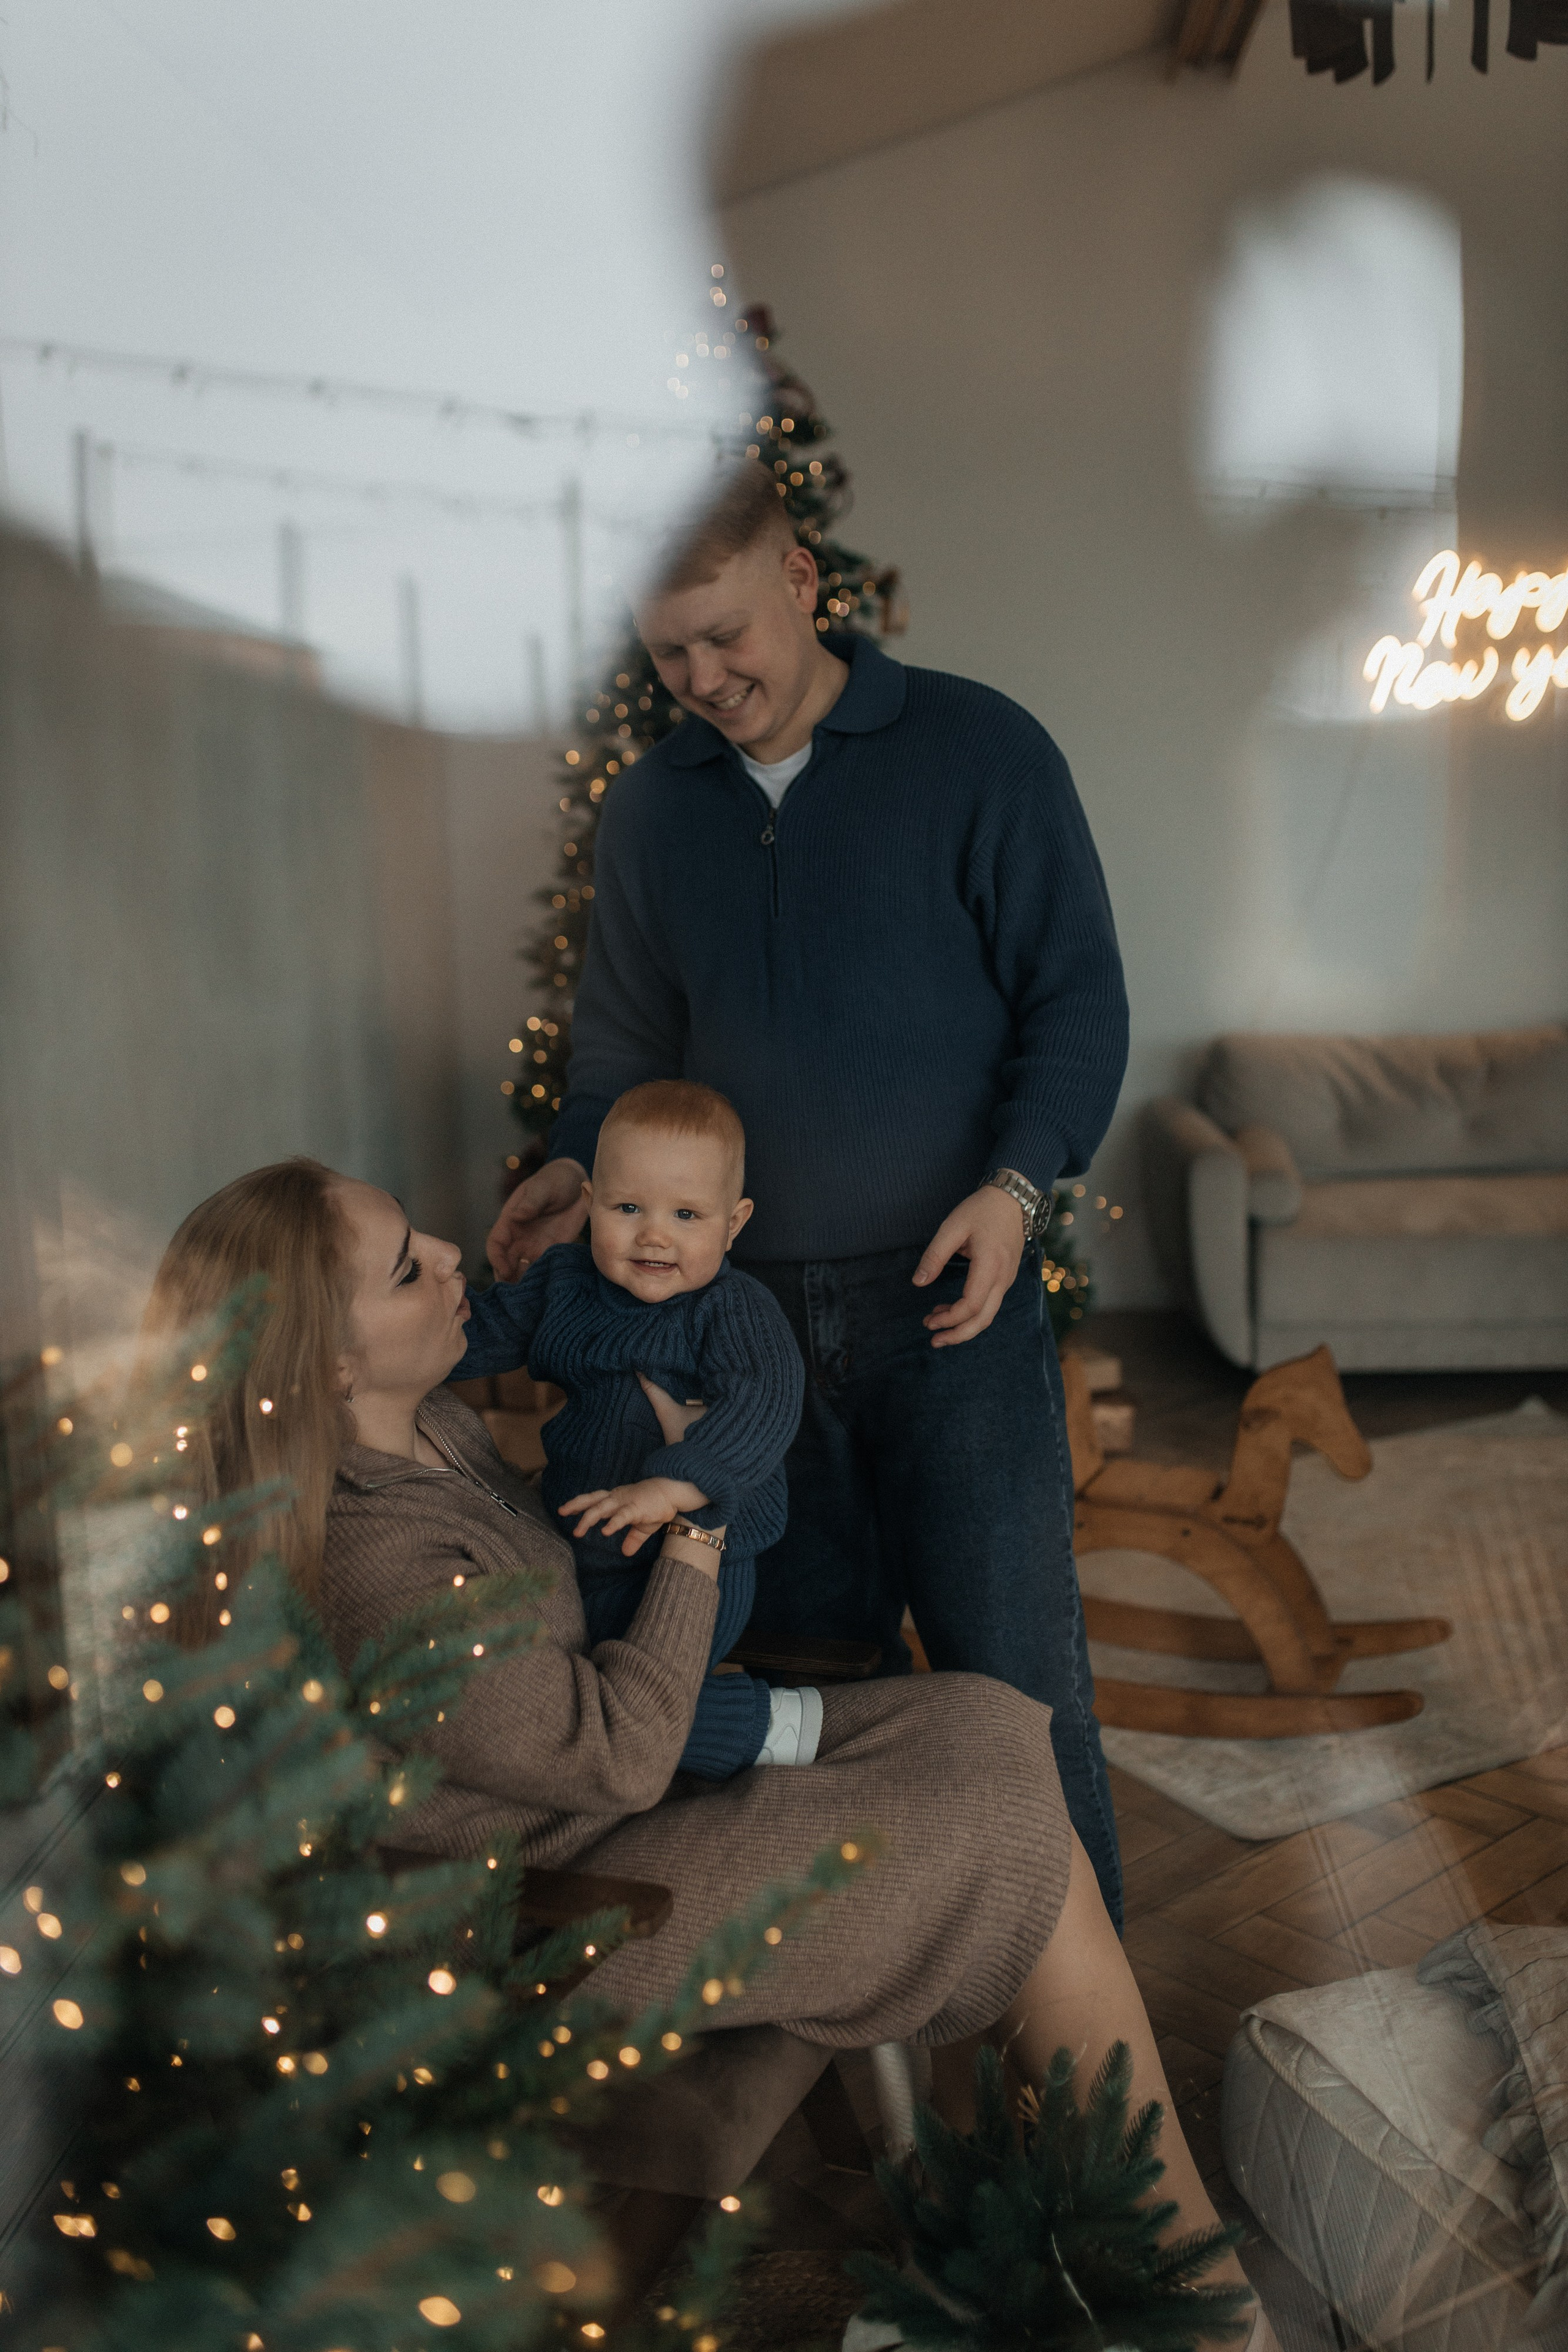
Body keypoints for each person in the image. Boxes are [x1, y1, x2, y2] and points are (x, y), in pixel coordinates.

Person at [146, 1156, 1269, 2349]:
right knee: (991, 1827)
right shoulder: (377, 1566)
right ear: (325, 1358)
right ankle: (1187, 2296)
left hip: (598, 1805)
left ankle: (1041, 2232)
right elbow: (620, 1755)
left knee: (983, 1720)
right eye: (407, 1268)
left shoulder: (426, 1430)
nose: (451, 1262)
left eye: (426, 1239)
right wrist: (692, 1535)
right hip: (551, 1915)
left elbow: (561, 1656)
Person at [487, 456, 1131, 1926]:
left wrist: (1015, 1188)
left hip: (950, 1311)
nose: (703, 677)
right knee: (799, 1690)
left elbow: (1076, 1002)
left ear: (798, 581)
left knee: (1018, 1685)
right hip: (731, 1335)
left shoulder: (980, 749)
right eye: (667, 654)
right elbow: (623, 1050)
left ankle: (1094, 2074)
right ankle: (865, 1997)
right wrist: (574, 1166)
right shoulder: (650, 811)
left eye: (726, 635)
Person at [459, 1077, 814, 1779]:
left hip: (695, 1560)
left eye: (687, 1214)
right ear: (590, 1207)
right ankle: (663, 1758)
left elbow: (765, 1405)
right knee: (561, 1689)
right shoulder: (564, 1283)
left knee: (632, 1696)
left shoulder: (731, 1309)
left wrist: (676, 1485)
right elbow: (483, 1331)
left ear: (734, 1224)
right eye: (628, 1207)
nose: (654, 1235)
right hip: (582, 1539)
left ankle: (756, 1727)